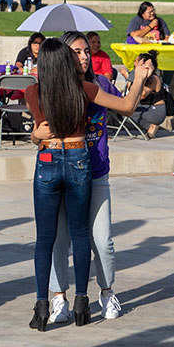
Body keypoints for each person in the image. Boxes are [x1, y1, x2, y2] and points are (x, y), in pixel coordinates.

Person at [23, 38, 151, 331]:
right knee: (82, 235)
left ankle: (44, 305)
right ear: (67, 60)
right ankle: (82, 303)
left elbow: (40, 128)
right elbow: (128, 105)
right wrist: (140, 77)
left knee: (46, 239)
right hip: (80, 159)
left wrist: (35, 135)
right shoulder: (84, 89)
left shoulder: (31, 92)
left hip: (48, 158)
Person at [45, 31, 128, 324]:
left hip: (96, 175)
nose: (83, 56)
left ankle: (106, 293)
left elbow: (128, 105)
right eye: (76, 51)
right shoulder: (53, 89)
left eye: (85, 51)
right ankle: (59, 298)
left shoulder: (100, 85)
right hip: (63, 175)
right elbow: (39, 130)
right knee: (59, 240)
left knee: (102, 241)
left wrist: (144, 78)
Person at [133, 51, 174, 138]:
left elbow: (142, 94)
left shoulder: (153, 78)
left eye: (137, 62)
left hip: (156, 111)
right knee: (120, 111)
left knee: (126, 110)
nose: (134, 63)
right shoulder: (138, 75)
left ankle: (151, 126)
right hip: (146, 107)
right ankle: (149, 126)